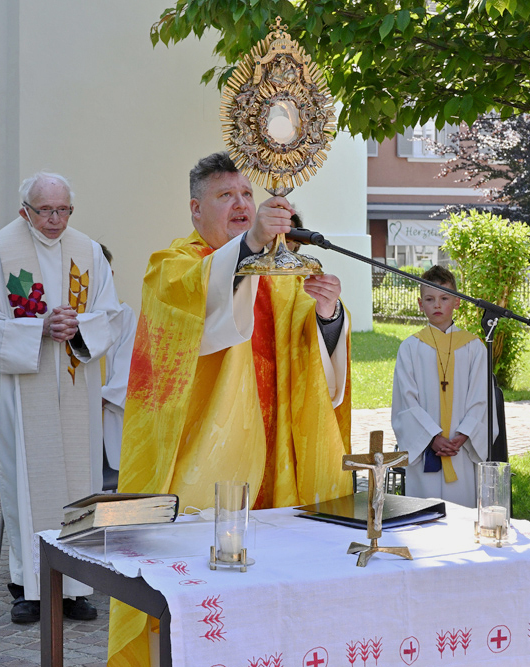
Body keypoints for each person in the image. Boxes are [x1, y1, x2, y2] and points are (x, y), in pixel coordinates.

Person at [108, 152, 352, 666]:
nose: (242, 204)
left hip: (279, 463)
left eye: (246, 194)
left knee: (273, 604)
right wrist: (252, 244)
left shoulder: (282, 274)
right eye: (226, 196)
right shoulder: (170, 267)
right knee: (201, 604)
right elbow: (206, 308)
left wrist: (328, 315)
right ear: (195, 209)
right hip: (203, 466)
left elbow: (315, 368)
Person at [0, 171, 123, 624]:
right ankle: (28, 588)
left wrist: (79, 326)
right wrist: (38, 328)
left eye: (63, 210)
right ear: (25, 211)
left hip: (76, 388)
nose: (55, 219)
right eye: (45, 211)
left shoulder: (88, 251)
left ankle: (75, 588)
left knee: (79, 481)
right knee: (26, 482)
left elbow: (110, 315)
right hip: (23, 392)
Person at [391, 264, 492, 508]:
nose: (437, 305)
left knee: (463, 513)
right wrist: (431, 437)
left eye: (444, 298)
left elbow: (481, 398)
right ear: (420, 304)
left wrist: (464, 434)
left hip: (461, 450)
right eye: (430, 299)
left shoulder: (473, 347)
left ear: (457, 302)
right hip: (427, 449)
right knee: (423, 512)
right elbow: (406, 401)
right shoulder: (410, 348)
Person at [98, 244, 138, 487]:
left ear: (110, 275)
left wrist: (99, 399)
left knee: (111, 478)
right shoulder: (66, 316)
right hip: (74, 414)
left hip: (108, 409)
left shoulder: (123, 314)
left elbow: (128, 368)